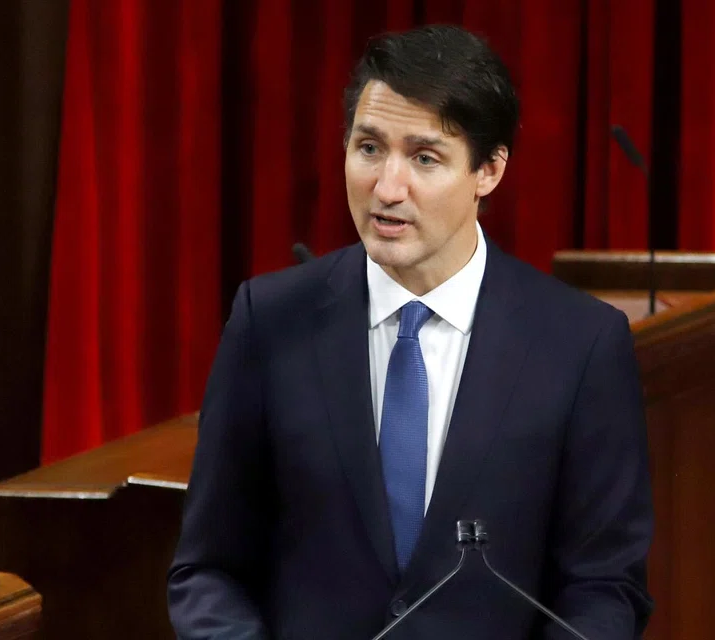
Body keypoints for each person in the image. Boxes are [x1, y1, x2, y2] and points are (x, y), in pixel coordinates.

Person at [167, 24, 653, 640]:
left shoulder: (580, 345)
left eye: (424, 158)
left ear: (489, 170)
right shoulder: (268, 321)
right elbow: (209, 570)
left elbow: (604, 587)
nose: (387, 188)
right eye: (369, 148)